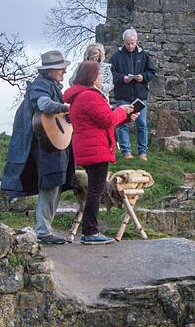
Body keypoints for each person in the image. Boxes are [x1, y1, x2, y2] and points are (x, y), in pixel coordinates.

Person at [1, 50, 76, 245]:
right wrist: (65, 108)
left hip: (50, 144)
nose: (64, 72)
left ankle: (45, 229)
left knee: (54, 182)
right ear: (50, 70)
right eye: (61, 69)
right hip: (43, 145)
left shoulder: (50, 84)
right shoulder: (40, 85)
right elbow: (43, 105)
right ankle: (43, 231)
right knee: (50, 183)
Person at [63, 61, 137, 245]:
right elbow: (107, 119)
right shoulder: (90, 96)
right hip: (95, 150)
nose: (102, 78)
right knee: (96, 191)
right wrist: (121, 111)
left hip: (89, 148)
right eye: (100, 75)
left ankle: (90, 230)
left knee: (96, 190)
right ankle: (90, 232)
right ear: (92, 77)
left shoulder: (80, 96)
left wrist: (125, 117)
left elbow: (100, 121)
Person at [110, 28, 156, 160]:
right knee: (122, 124)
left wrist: (143, 77)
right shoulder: (116, 57)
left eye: (132, 43)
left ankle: (143, 152)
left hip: (140, 96)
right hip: (123, 96)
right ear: (123, 42)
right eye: (127, 43)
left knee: (141, 124)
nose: (130, 46)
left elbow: (152, 72)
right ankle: (126, 152)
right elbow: (111, 74)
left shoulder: (144, 55)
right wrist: (123, 78)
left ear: (136, 41)